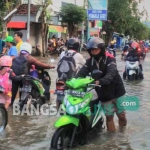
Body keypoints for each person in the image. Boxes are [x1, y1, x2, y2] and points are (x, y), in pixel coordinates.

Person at [75, 37, 127, 132]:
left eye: (96, 49)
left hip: (116, 91)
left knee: (121, 115)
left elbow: (111, 73)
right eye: (91, 50)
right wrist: (72, 82)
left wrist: (101, 81)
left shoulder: (110, 59)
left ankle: (122, 133)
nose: (94, 51)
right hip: (103, 93)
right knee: (109, 117)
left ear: (101, 49)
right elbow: (81, 74)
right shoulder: (89, 62)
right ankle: (112, 140)